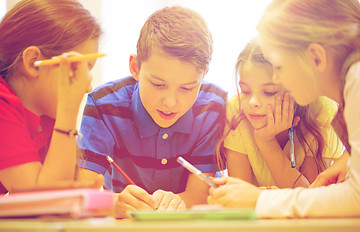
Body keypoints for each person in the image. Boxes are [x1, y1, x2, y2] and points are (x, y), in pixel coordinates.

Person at [208, 0, 360, 218]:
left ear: (316, 57)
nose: (278, 78)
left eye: (279, 66)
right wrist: (348, 159)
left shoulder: (356, 79)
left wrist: (260, 200)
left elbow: (356, 198)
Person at [77, 6, 227, 218]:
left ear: (203, 77)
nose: (171, 102)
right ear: (135, 67)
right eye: (158, 84)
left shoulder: (213, 107)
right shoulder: (103, 105)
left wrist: (181, 201)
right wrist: (117, 203)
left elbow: (201, 194)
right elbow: (82, 193)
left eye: (187, 88)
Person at [0, 0, 103, 194]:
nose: (87, 87)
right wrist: (68, 110)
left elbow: (58, 198)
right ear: (33, 62)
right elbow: (41, 201)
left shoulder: (45, 118)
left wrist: (113, 204)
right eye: (76, 69)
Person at [216, 37, 343, 189]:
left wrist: (266, 142)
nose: (252, 102)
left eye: (269, 92)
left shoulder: (323, 111)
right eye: (245, 91)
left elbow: (309, 196)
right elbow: (238, 195)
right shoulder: (237, 109)